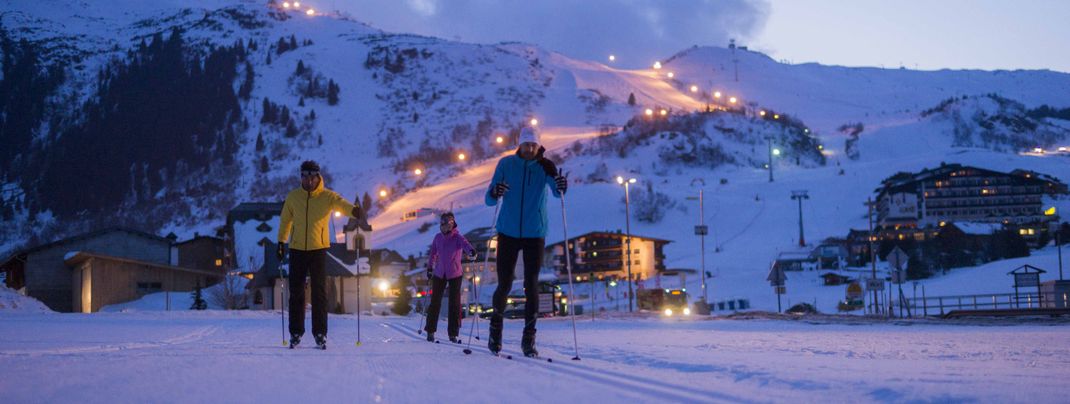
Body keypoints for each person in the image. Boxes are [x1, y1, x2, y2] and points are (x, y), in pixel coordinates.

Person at [484, 127, 567, 357]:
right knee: (505, 283)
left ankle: (528, 340)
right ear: (519, 145)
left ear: (539, 146)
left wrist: (561, 185)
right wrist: (495, 191)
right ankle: (495, 332)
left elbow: (557, 193)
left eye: (534, 145)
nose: (530, 148)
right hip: (508, 231)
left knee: (531, 285)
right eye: (526, 144)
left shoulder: (545, 166)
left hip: (534, 232)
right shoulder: (506, 164)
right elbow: (489, 200)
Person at [277, 160, 366, 350]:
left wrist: (354, 211)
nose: (308, 180)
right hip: (297, 249)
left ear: (318, 177)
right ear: (301, 177)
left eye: (312, 176)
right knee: (296, 293)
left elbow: (341, 204)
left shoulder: (327, 196)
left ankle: (320, 333)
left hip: (318, 249)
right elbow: (285, 220)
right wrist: (280, 242)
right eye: (304, 176)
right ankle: (295, 332)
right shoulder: (293, 197)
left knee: (319, 293)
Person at [424, 212, 476, 343]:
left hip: (454, 274)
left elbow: (466, 245)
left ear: (451, 224)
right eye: (441, 224)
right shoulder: (438, 238)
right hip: (440, 273)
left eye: (445, 224)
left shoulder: (457, 237)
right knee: (435, 302)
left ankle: (453, 333)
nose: (443, 227)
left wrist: (471, 252)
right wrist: (430, 268)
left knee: (454, 303)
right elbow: (433, 254)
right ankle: (430, 331)